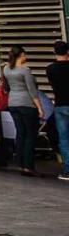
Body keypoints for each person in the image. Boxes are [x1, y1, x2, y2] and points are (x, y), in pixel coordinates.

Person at [4, 45, 44, 177]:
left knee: (20, 133)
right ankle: (28, 166)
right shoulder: (25, 70)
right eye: (25, 55)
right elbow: (32, 90)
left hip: (12, 103)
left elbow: (6, 87)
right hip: (26, 103)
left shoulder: (6, 69)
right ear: (21, 55)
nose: (26, 57)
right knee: (30, 135)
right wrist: (39, 107)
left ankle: (20, 164)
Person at [47, 40, 69, 182]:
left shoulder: (50, 69)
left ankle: (68, 170)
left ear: (54, 52)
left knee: (64, 139)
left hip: (60, 105)